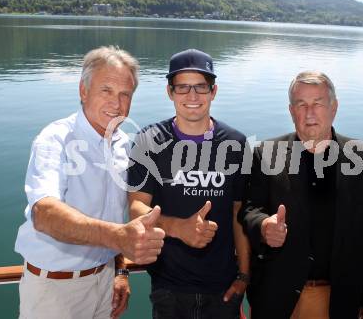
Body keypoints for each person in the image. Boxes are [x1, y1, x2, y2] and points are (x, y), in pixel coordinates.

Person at [14, 46, 165, 319]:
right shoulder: (57, 138)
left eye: (125, 95)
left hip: (105, 283)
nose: (116, 104)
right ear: (83, 91)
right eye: (106, 90)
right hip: (54, 291)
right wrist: (118, 237)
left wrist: (119, 270)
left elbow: (114, 217)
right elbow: (44, 213)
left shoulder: (123, 145)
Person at [238, 71, 363, 319]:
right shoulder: (265, 154)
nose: (310, 114)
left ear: (334, 107)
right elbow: (249, 210)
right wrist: (264, 226)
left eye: (318, 104)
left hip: (339, 298)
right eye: (302, 105)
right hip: (277, 296)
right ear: (291, 111)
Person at [127, 49, 250, 319]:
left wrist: (244, 276)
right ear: (169, 92)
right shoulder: (149, 140)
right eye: (182, 88)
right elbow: (136, 207)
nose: (192, 96)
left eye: (200, 87)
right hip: (169, 288)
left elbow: (238, 214)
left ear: (213, 91)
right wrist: (178, 227)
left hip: (223, 288)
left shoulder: (235, 144)